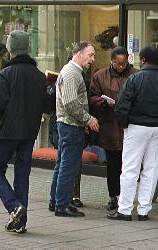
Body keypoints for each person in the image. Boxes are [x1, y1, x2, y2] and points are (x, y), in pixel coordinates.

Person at [0, 30, 50, 233]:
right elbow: (46, 104)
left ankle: (14, 206)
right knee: (22, 174)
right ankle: (20, 223)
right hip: (29, 132)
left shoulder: (4, 75)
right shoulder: (39, 76)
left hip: (6, 132)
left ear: (10, 49)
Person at [107, 46, 158, 221]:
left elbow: (122, 105)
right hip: (157, 129)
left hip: (136, 127)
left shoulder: (134, 79)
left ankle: (124, 209)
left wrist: (124, 125)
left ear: (143, 60)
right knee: (151, 169)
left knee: (130, 169)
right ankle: (144, 210)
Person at [49, 41, 99, 217]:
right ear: (78, 53)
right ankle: (62, 205)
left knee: (62, 164)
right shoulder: (72, 74)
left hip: (68, 124)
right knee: (68, 166)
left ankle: (56, 201)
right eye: (90, 55)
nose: (93, 59)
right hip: (70, 126)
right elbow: (71, 103)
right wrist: (88, 120)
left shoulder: (72, 72)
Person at [89, 46, 138, 210]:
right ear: (111, 61)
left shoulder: (136, 74)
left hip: (130, 125)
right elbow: (92, 96)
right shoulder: (100, 76)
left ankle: (126, 197)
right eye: (117, 63)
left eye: (124, 63)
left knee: (129, 165)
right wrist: (103, 102)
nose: (121, 66)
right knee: (113, 164)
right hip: (110, 125)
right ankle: (113, 196)